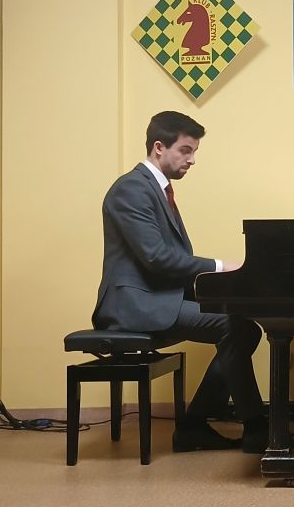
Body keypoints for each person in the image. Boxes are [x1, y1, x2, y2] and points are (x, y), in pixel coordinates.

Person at [92, 110, 268, 453]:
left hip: (157, 297)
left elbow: (169, 261)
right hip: (134, 305)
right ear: (159, 147)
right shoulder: (131, 189)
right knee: (235, 327)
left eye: (194, 152)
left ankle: (195, 425)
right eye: (186, 150)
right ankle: (253, 427)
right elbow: (157, 258)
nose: (192, 160)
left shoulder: (157, 190)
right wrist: (221, 267)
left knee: (244, 327)